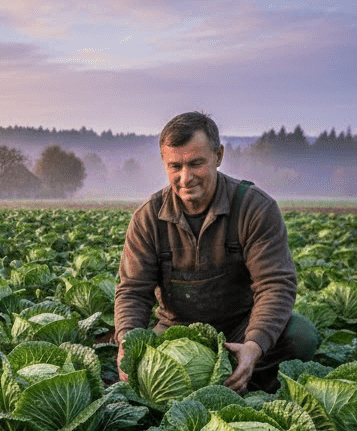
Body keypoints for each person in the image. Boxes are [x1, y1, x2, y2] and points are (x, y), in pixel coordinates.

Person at [114, 111, 318, 393]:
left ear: (218, 155)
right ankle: (195, 394)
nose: (185, 177)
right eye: (175, 166)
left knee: (301, 336)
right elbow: (133, 291)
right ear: (164, 163)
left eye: (196, 163)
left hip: (239, 328)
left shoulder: (254, 208)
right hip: (176, 334)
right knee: (143, 371)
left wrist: (254, 345)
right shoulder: (148, 217)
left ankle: (249, 384)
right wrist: (126, 341)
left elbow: (274, 285)